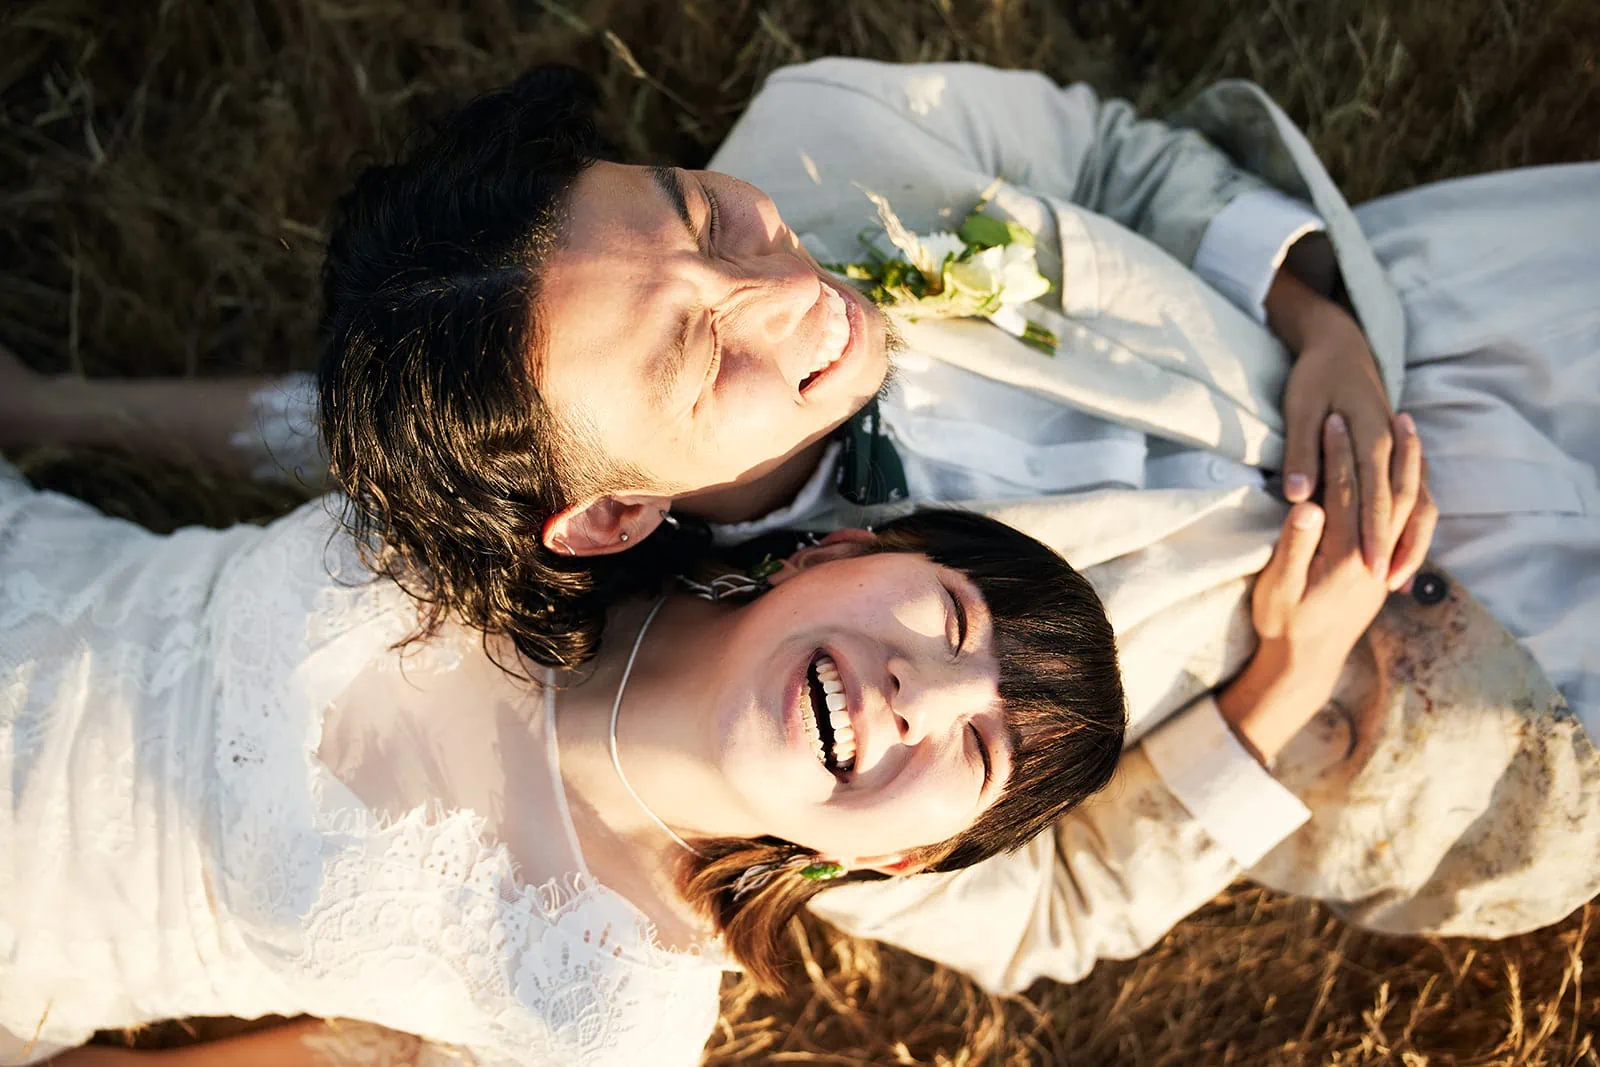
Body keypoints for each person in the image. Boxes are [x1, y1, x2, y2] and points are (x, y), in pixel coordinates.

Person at [4, 58, 1596, 991]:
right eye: (703, 355)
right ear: (613, 511)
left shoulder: (829, 133)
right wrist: (1282, 686)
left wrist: (1321, 323)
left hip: (1425, 338)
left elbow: (1117, 154)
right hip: (1437, 671)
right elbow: (1048, 914)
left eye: (702, 216)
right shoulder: (807, 710)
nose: (788, 293)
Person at [0, 436, 1127, 1064]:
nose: (919, 692)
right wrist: (60, 408)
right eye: (951, 618)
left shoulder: (607, 1015)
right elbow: (341, 402)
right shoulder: (585, 497)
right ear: (834, 549)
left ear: (894, 862)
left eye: (977, 748)